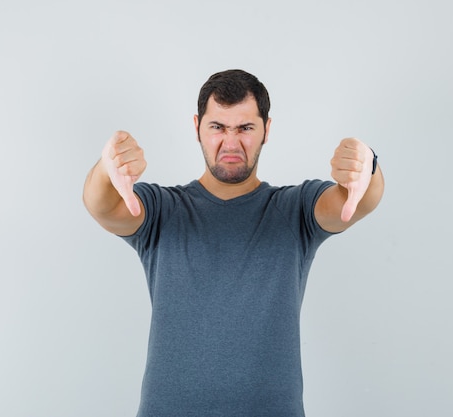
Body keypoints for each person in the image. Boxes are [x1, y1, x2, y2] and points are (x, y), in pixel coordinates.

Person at [83, 69, 384, 416]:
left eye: (245, 128)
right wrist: (107, 169)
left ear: (266, 130)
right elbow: (101, 204)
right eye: (217, 127)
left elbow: (352, 202)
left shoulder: (295, 209)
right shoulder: (162, 211)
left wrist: (368, 167)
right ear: (197, 127)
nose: (230, 143)